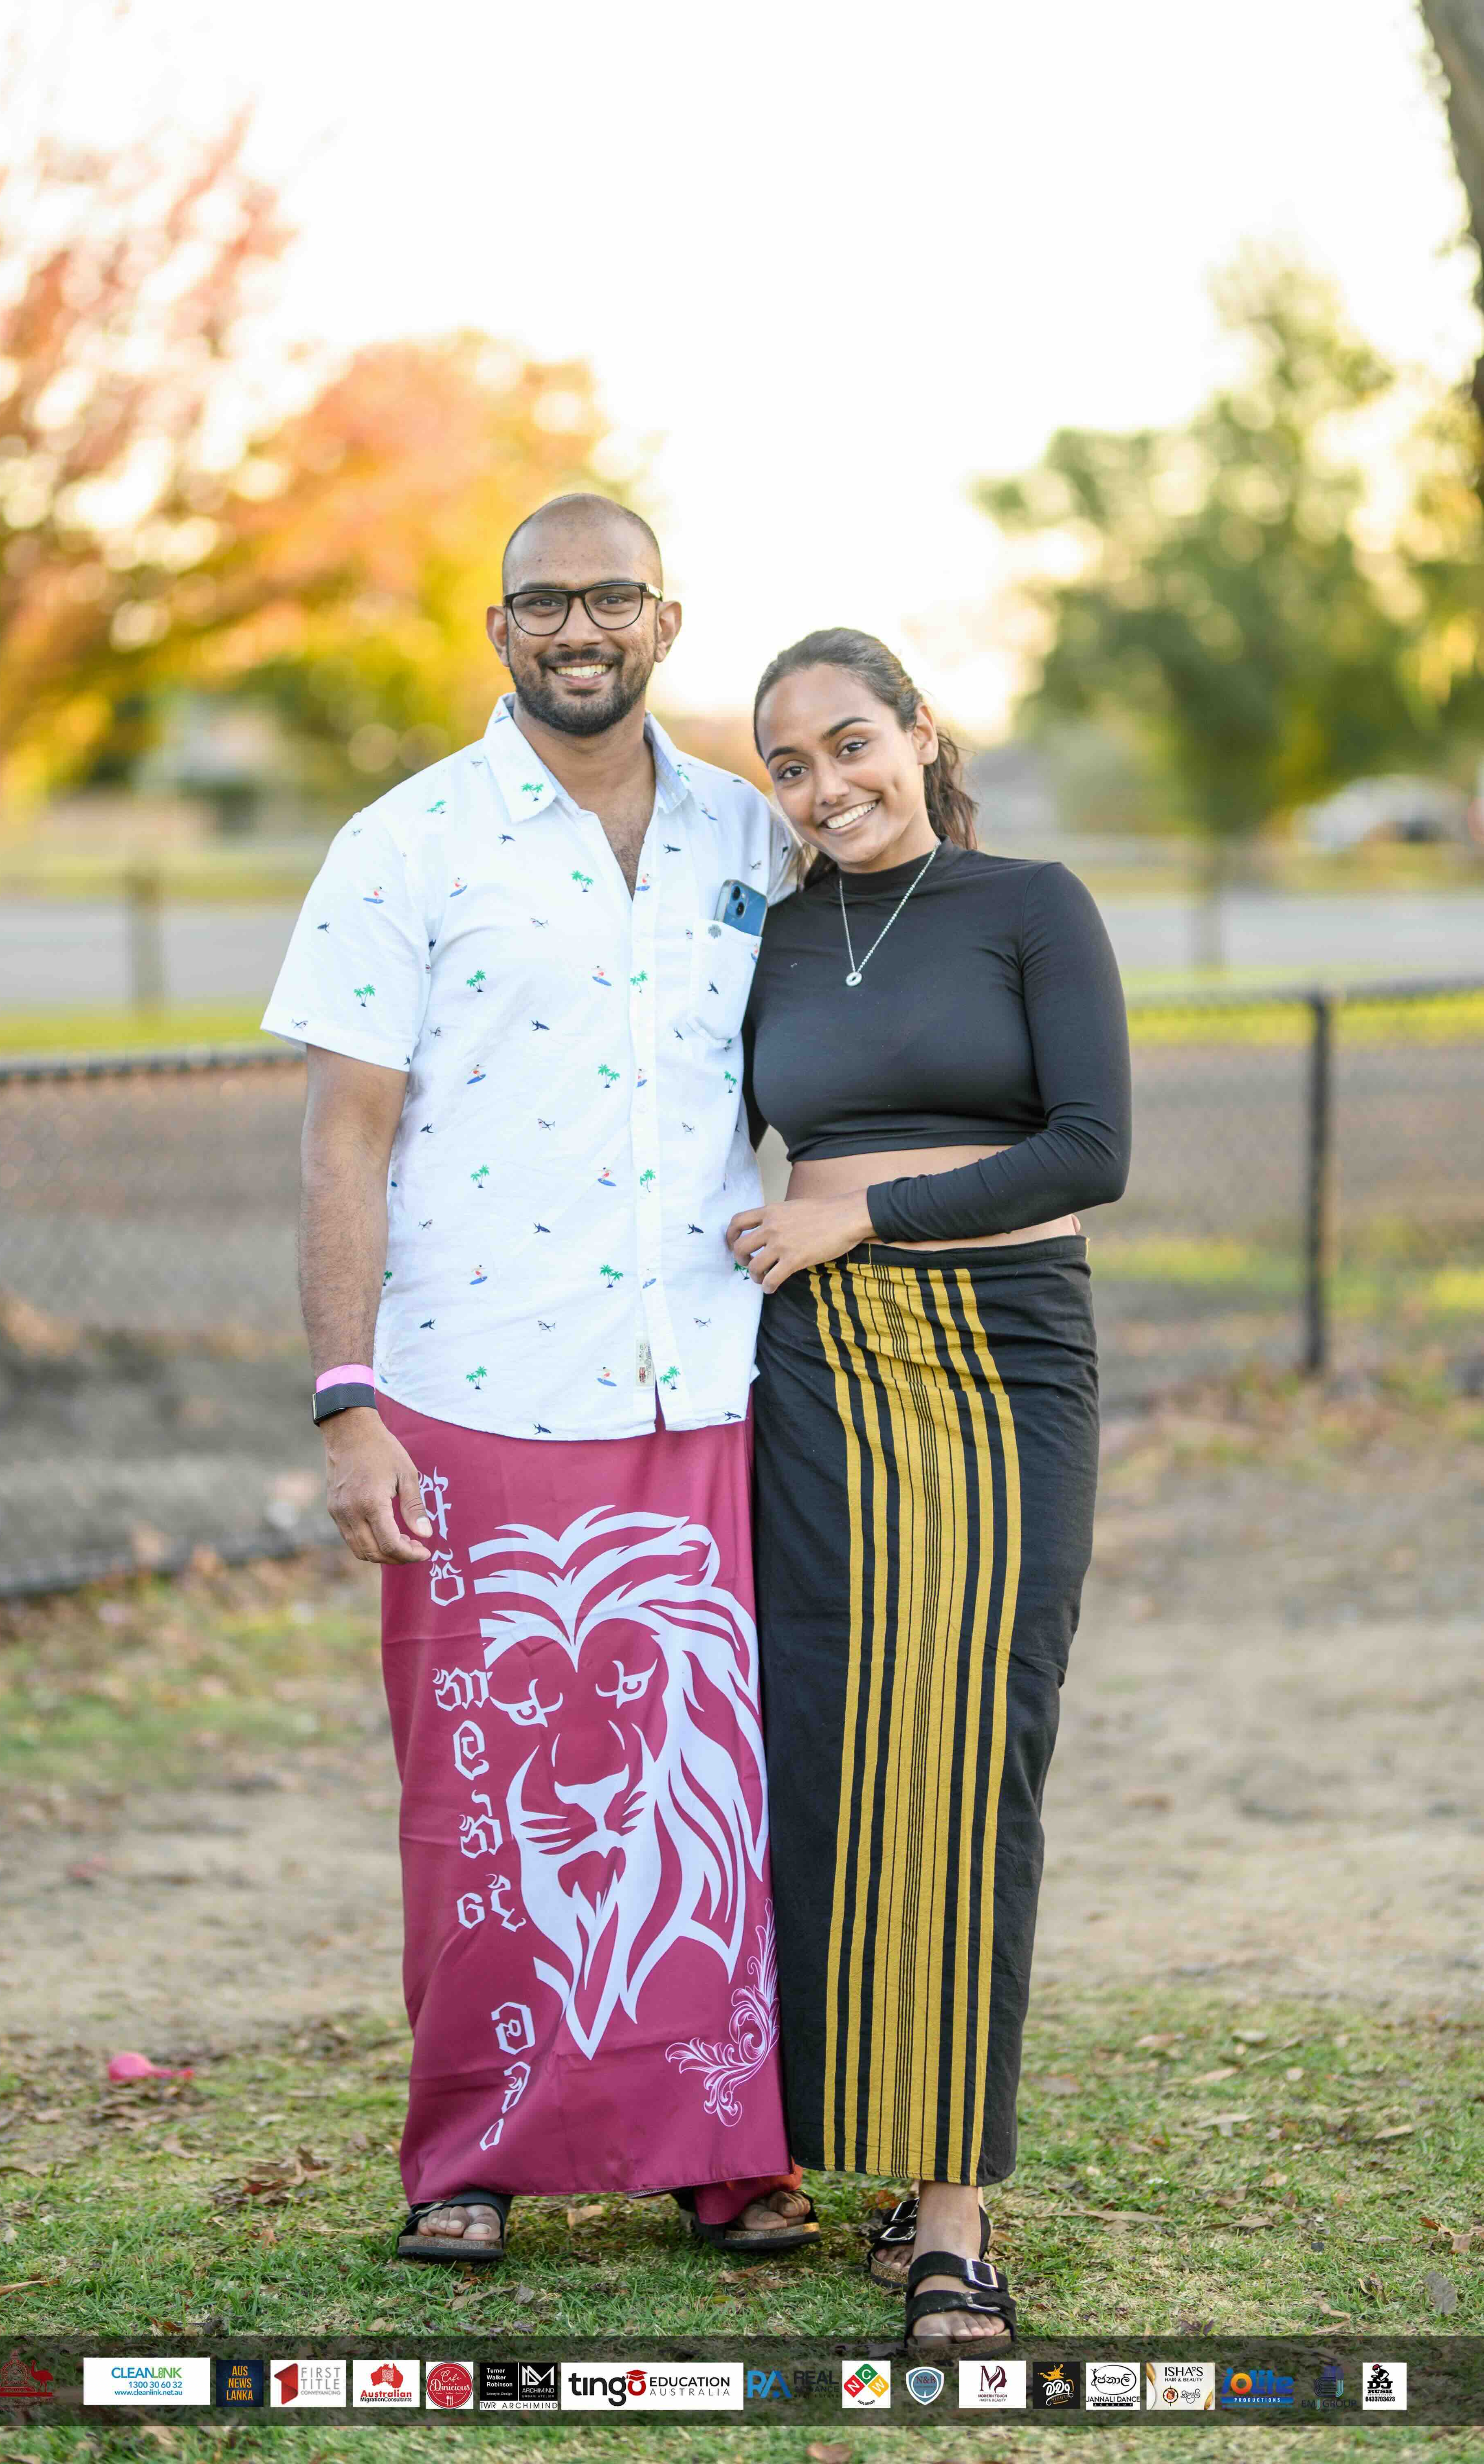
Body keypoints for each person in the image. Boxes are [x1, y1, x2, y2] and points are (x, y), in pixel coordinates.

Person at [261, 495, 814, 2264]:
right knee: (486, 1794)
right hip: (474, 1390)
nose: (580, 629)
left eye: (612, 600)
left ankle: (725, 2152)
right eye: (545, 603)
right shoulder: (405, 843)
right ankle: (473, 2159)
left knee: (710, 1786)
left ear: (665, 620)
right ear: (501, 630)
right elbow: (346, 1140)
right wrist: (347, 1400)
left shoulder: (752, 834)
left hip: (708, 1391)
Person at [728, 628, 1131, 2351]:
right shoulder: (766, 935)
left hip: (1000, 1351)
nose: (829, 789)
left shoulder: (1031, 902)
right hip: (818, 1367)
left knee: (978, 1745)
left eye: (849, 744)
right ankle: (853, 2155)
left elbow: (1090, 1147)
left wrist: (863, 1214)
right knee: (827, 1745)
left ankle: (955, 2212)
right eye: (792, 770)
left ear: (918, 733)